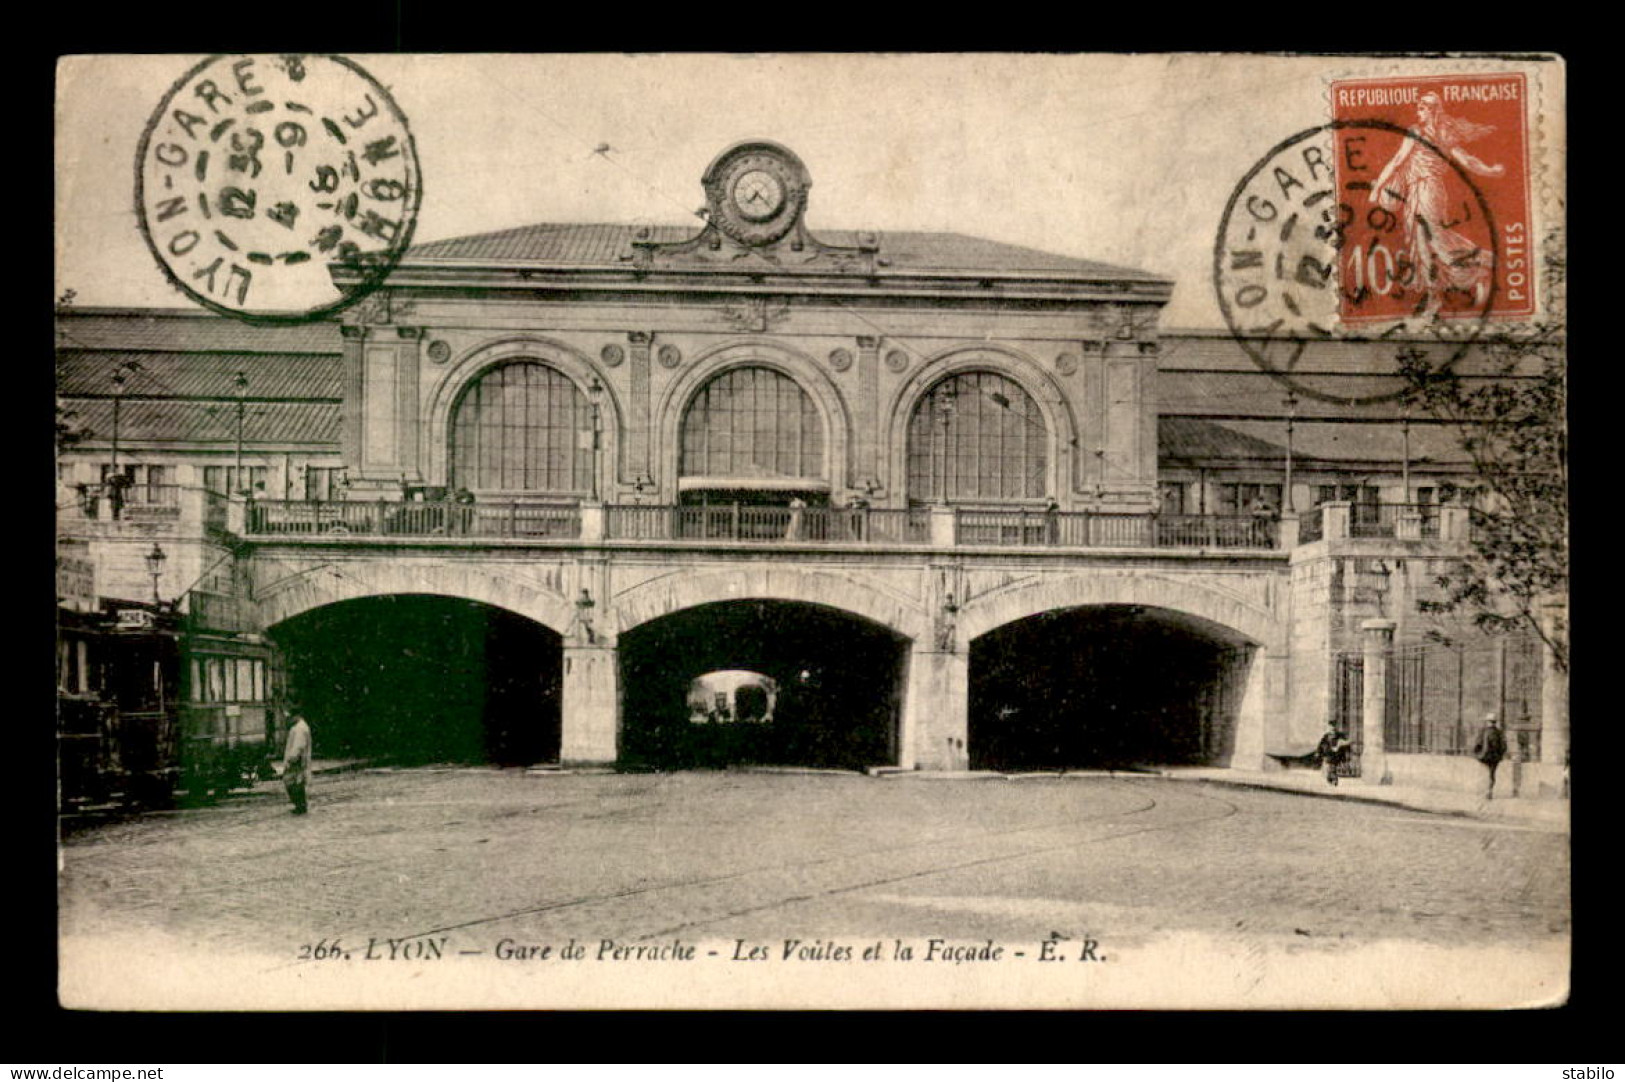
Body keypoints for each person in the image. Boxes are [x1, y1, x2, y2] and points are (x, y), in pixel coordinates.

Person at [1370, 91, 1506, 316]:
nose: (1418, 112)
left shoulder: (1429, 134)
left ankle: (1480, 266)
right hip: (1417, 192)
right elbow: (1466, 161)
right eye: (1418, 108)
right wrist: (1489, 170)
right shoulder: (1433, 133)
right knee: (1422, 241)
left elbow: (1397, 161)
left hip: (1429, 191)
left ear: (1433, 111)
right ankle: (1435, 293)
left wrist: (1377, 189)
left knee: (1434, 239)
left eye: (1422, 109)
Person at [1471, 712, 1508, 800]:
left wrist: (1476, 753)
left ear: (1487, 722)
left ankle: (1484, 791)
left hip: (1484, 757)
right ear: (1495, 722)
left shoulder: (1483, 731)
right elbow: (1504, 746)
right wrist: (1500, 755)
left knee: (1484, 774)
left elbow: (1478, 743)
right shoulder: (1499, 732)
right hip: (1495, 757)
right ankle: (1489, 791)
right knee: (1492, 774)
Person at [281, 713, 313, 814]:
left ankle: (300, 805)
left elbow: (298, 746)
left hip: (296, 761)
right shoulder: (299, 727)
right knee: (297, 782)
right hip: (298, 760)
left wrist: (291, 759)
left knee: (292, 782)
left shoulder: (300, 728)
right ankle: (300, 805)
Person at [1315, 722, 1351, 787]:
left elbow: (1347, 742)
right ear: (1329, 728)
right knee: (1329, 768)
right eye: (1331, 727)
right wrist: (1318, 752)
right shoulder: (1326, 736)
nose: (1332, 729)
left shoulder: (1339, 735)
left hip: (1335, 755)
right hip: (1328, 754)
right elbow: (1321, 744)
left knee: (1332, 768)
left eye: (1333, 727)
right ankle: (1332, 780)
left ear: (1335, 727)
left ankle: (1333, 780)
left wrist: (1341, 745)